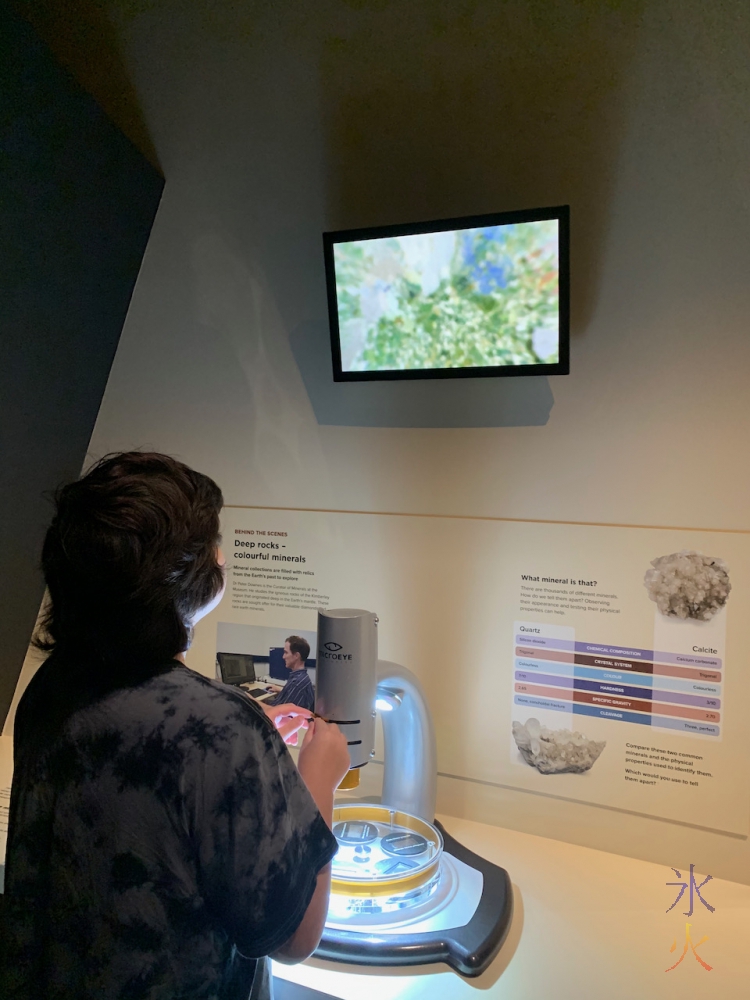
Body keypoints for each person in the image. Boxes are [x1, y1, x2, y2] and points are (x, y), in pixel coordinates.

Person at [2, 452, 350, 1000]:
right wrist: (319, 780)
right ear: (189, 576)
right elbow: (294, 937)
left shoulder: (51, 688)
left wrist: (234, 730)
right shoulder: (219, 727)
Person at [267, 636, 315, 713]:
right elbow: (293, 694)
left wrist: (251, 700)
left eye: (286, 652)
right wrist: (280, 690)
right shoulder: (301, 677)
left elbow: (278, 713)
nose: (283, 657)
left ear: (296, 656)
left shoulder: (297, 683)